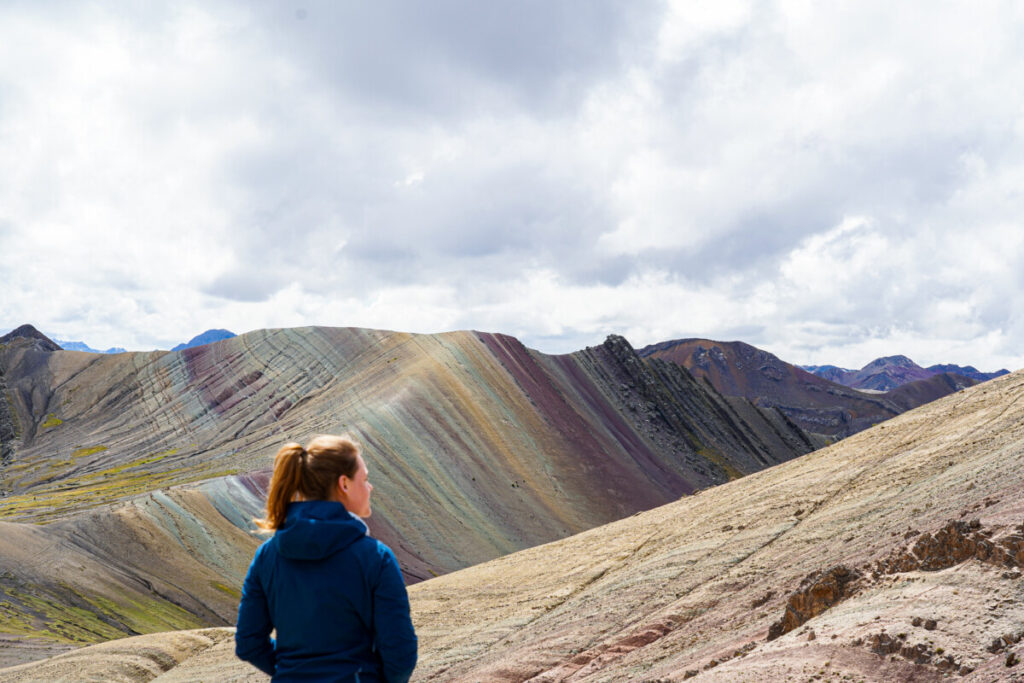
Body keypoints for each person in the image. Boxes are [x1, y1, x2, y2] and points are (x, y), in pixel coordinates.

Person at [235, 434, 417, 682]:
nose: (370, 487)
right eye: (364, 479)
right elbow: (400, 652)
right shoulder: (376, 558)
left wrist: (294, 672)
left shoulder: (267, 556)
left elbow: (248, 642)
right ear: (344, 484)